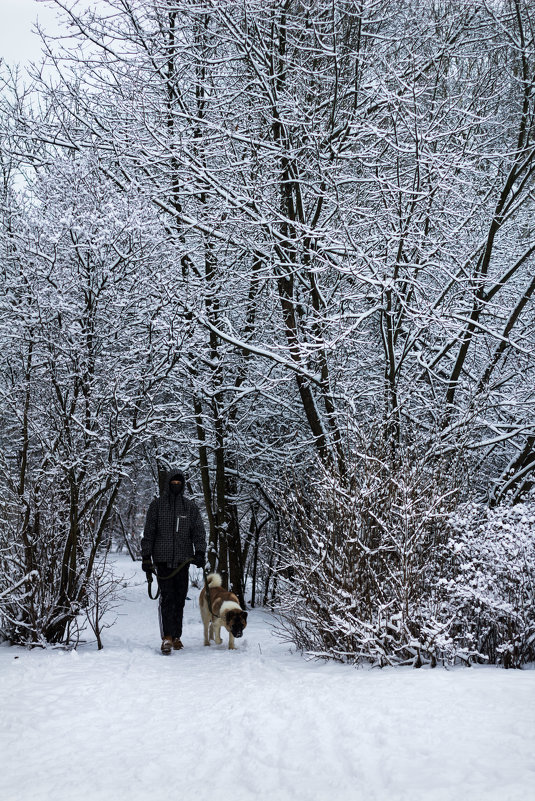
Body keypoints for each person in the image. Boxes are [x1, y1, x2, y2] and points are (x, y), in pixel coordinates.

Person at [141, 469, 207, 654]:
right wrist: (146, 557)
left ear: (183, 485)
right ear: (168, 483)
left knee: (179, 599)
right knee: (167, 598)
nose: (176, 486)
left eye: (179, 483)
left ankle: (177, 636)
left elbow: (198, 532)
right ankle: (167, 637)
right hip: (162, 560)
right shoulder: (157, 506)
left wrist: (200, 551)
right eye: (173, 483)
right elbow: (149, 533)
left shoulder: (190, 508)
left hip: (183, 561)